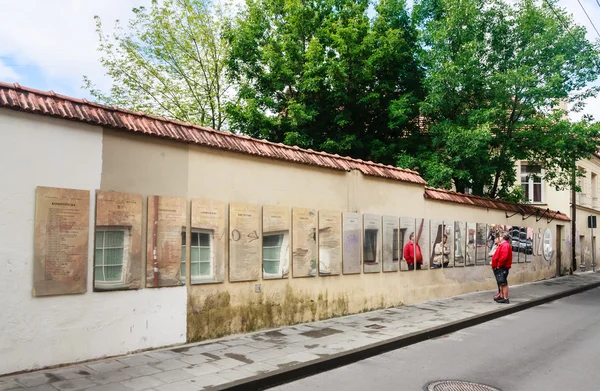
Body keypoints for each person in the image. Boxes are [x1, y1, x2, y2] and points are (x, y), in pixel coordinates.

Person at [491, 233, 512, 304]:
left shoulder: (505, 245)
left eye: (500, 236)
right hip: (500, 267)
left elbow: (503, 257)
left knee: (503, 283)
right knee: (501, 283)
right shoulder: (502, 244)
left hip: (502, 267)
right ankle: (502, 296)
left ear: (502, 237)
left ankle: (505, 298)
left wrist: (498, 265)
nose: (499, 237)